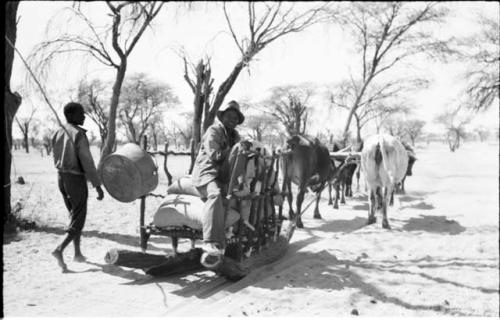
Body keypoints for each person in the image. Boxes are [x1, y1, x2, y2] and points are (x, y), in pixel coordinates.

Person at [191, 100, 247, 268]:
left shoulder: (235, 136)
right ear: (222, 117)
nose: (232, 120)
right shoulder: (214, 131)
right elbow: (215, 155)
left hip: (224, 177)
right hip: (207, 174)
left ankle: (230, 238)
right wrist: (237, 150)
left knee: (241, 197)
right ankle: (210, 242)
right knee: (215, 195)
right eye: (229, 116)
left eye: (235, 118)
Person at [51, 102, 104, 272]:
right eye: (81, 113)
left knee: (73, 215)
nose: (84, 116)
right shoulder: (79, 134)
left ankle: (77, 253)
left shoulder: (58, 132)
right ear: (72, 115)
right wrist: (97, 185)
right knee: (79, 217)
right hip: (75, 179)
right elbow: (87, 162)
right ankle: (59, 249)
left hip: (61, 178)